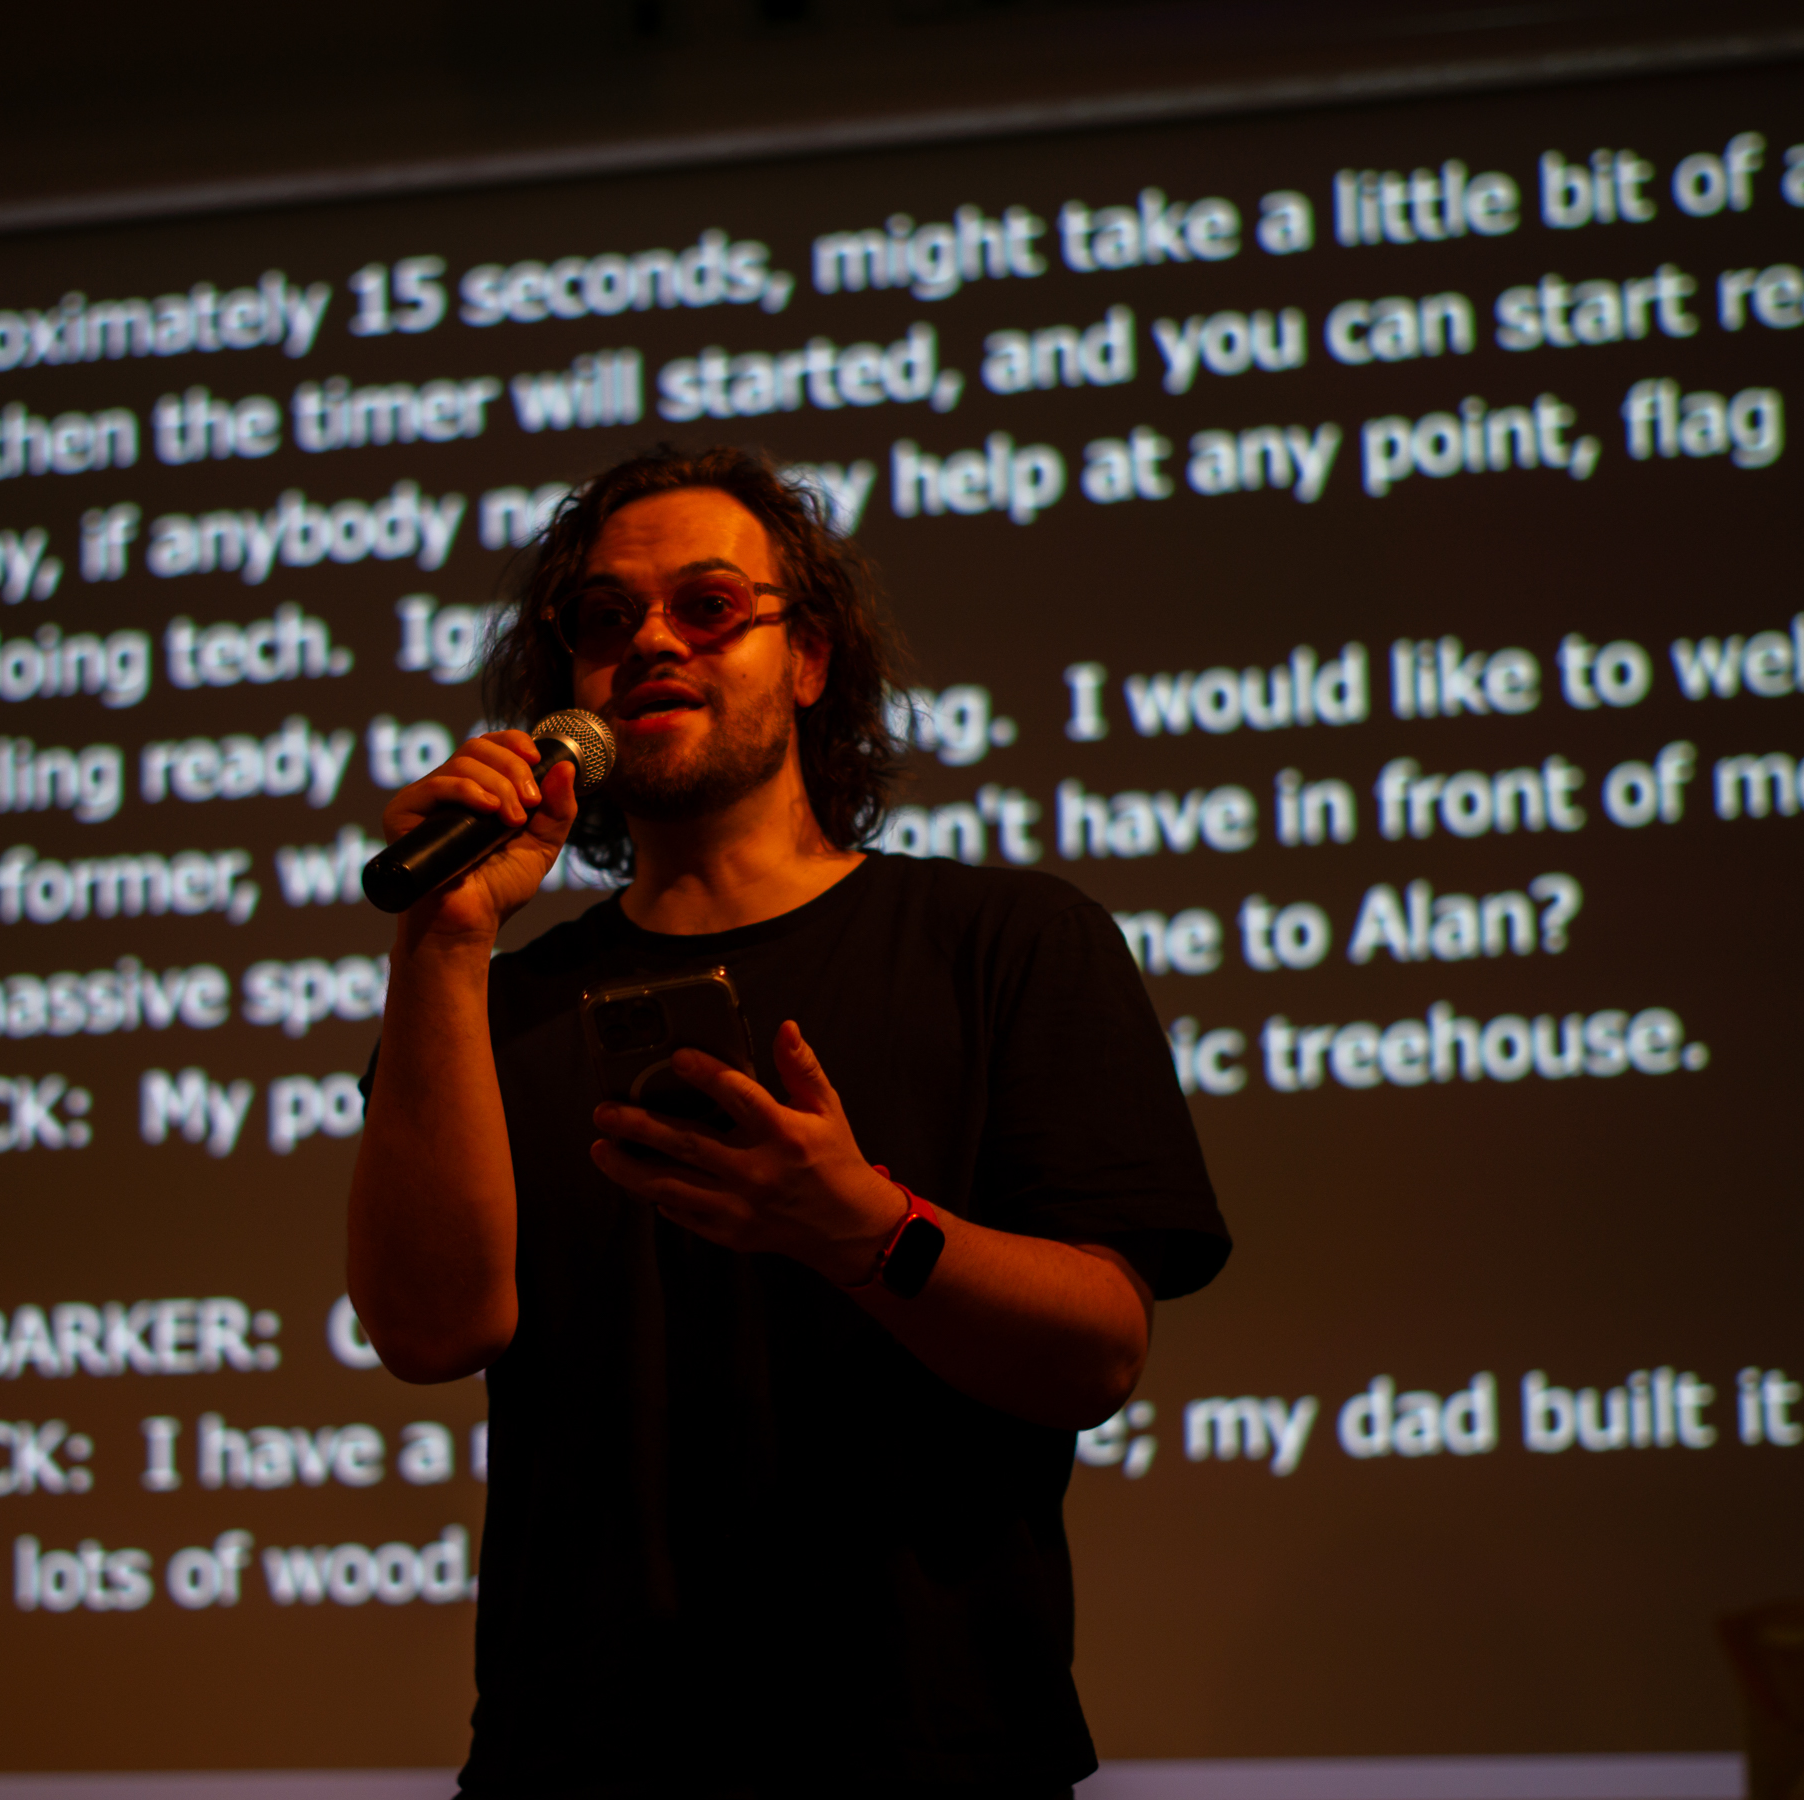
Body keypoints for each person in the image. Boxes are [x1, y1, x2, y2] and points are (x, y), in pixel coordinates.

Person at [347, 445, 1228, 1799]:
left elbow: (1098, 1354)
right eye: (604, 618)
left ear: (809, 658)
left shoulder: (1007, 942)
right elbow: (427, 1333)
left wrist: (864, 1231)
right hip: (571, 1765)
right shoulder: (486, 1000)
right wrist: (442, 943)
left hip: (928, 1760)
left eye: (707, 606)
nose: (651, 642)